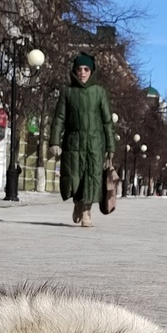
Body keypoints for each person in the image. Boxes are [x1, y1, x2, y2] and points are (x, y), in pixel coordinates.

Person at [49, 53, 115, 227]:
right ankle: (78, 205)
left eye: (86, 69)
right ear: (74, 71)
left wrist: (110, 147)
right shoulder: (67, 92)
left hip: (94, 144)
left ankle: (87, 212)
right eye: (79, 69)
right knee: (75, 178)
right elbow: (59, 118)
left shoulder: (99, 92)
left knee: (91, 178)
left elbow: (107, 121)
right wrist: (55, 141)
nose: (82, 72)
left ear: (92, 72)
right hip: (73, 142)